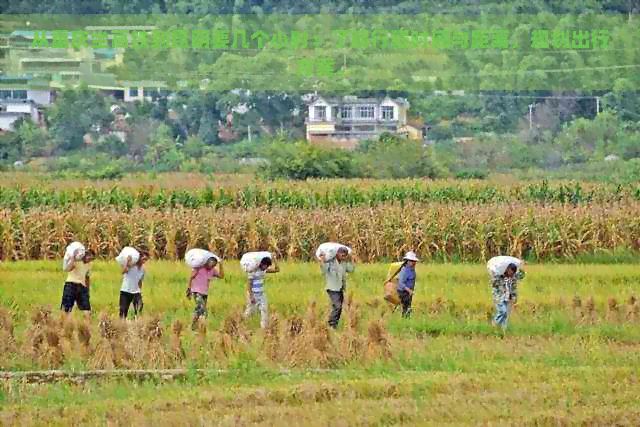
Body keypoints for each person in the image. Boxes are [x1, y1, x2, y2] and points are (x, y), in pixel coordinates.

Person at [319, 247, 355, 329]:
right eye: (342, 255)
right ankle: (331, 324)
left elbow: (351, 270)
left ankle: (334, 325)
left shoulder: (344, 263)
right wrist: (322, 262)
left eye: (345, 256)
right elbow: (324, 271)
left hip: (340, 288)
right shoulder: (330, 262)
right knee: (337, 306)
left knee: (339, 308)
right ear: (337, 254)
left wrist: (351, 260)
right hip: (332, 288)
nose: (343, 257)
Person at [187, 256, 224, 330]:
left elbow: (221, 276)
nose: (211, 266)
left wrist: (221, 265)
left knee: (199, 310)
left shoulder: (212, 270)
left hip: (204, 293)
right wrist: (188, 289)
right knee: (202, 309)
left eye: (213, 265)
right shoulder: (198, 268)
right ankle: (197, 326)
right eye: (211, 264)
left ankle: (194, 326)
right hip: (196, 291)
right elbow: (190, 278)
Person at [243, 256, 279, 329]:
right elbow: (249, 285)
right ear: (262, 264)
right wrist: (251, 296)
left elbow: (277, 269)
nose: (266, 267)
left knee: (264, 310)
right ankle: (242, 323)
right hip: (253, 294)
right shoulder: (252, 271)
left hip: (261, 294)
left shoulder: (264, 270)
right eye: (266, 266)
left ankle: (264, 327)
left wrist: (274, 259)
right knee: (250, 311)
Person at [60, 249, 94, 319]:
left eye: (91, 258)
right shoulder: (76, 260)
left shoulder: (89, 264)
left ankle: (87, 326)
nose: (89, 259)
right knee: (66, 310)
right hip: (71, 284)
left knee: (87, 311)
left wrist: (87, 290)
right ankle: (64, 325)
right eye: (89, 257)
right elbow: (67, 267)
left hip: (82, 287)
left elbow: (87, 277)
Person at [491, 263, 525, 330]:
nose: (511, 273)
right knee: (503, 311)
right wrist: (494, 274)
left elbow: (522, 275)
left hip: (508, 298)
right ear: (507, 269)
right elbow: (494, 284)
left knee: (506, 314)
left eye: (513, 271)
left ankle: (503, 329)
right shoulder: (500, 277)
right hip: (499, 298)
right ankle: (495, 323)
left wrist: (522, 268)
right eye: (510, 271)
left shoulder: (513, 278)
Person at [119, 251, 148, 320]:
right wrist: (127, 263)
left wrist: (139, 290)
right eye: (143, 259)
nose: (144, 261)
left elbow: (140, 281)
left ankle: (136, 323)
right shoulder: (131, 266)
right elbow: (123, 271)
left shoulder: (143, 269)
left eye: (145, 260)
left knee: (139, 308)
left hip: (136, 292)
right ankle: (121, 325)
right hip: (125, 290)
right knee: (123, 311)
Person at [396, 251, 419, 318]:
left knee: (408, 307)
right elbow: (401, 283)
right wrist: (408, 290)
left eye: (414, 261)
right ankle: (405, 319)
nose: (414, 263)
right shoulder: (404, 271)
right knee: (406, 308)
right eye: (412, 261)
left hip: (409, 292)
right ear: (408, 262)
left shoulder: (412, 270)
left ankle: (406, 319)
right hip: (403, 292)